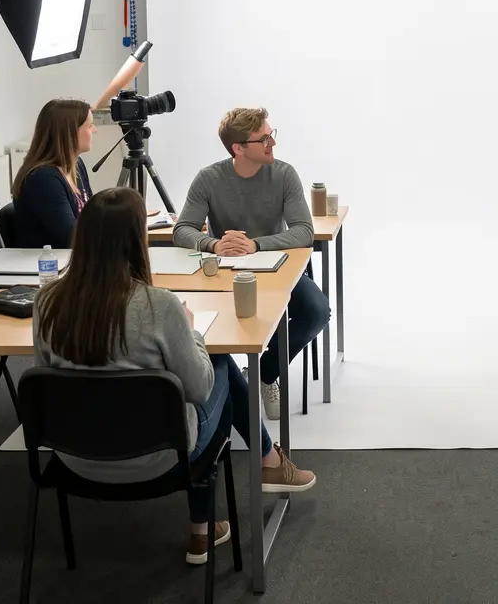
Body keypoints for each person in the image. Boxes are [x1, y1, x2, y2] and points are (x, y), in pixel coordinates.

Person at [33, 188, 313, 567]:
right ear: (137, 242)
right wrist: (192, 331)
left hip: (72, 456)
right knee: (221, 368)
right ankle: (208, 522)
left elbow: (48, 374)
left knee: (209, 371)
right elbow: (199, 389)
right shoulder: (159, 306)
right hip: (159, 455)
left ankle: (254, 476)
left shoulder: (46, 301)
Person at [174, 107, 329, 421]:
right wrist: (214, 244)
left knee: (316, 311)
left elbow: (304, 231)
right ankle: (224, 389)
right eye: (264, 139)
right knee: (203, 323)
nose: (272, 143)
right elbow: (183, 229)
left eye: (272, 135)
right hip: (226, 272)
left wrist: (256, 245)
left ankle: (265, 373)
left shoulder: (284, 174)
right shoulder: (209, 178)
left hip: (278, 265)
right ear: (238, 148)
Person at [13, 99, 96, 248]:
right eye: (90, 126)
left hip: (74, 259)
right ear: (70, 132)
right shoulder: (43, 179)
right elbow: (72, 237)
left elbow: (91, 215)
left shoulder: (76, 165)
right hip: (52, 265)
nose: (95, 130)